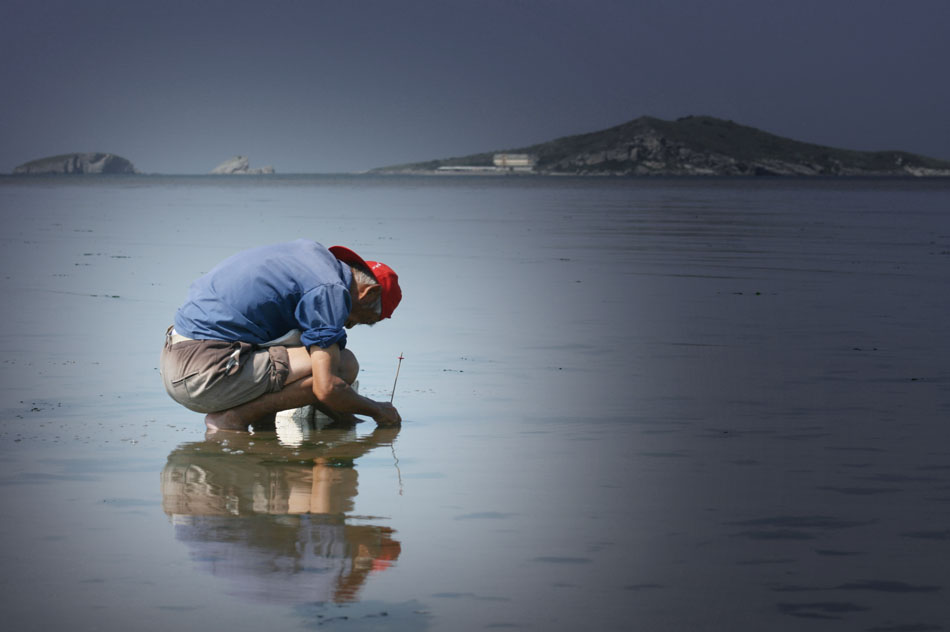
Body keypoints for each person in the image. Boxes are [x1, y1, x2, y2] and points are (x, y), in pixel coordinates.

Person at [160, 239, 402, 432]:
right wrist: (378, 411)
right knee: (343, 365)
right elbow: (327, 387)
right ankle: (233, 419)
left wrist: (346, 419)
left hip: (177, 360)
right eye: (367, 320)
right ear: (369, 293)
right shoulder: (330, 290)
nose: (350, 326)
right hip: (204, 374)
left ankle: (262, 426)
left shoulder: (310, 258)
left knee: (305, 347)